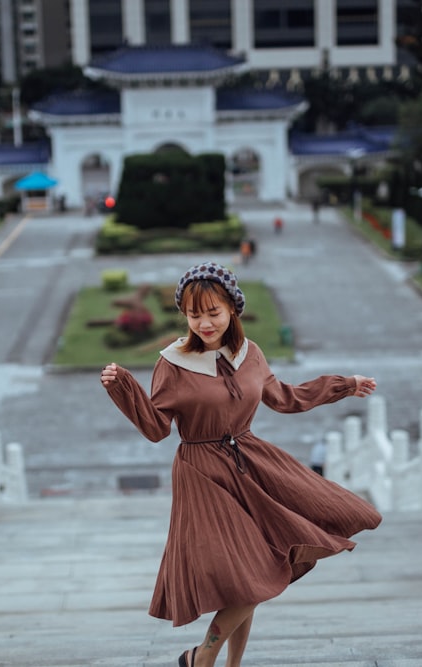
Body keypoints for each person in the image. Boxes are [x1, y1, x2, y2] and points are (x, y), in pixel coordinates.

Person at [100, 261, 382, 667]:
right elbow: (157, 427)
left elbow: (285, 398)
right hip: (202, 472)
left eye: (213, 312)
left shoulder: (250, 355)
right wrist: (125, 389)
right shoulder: (172, 363)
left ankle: (224, 664)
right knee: (249, 574)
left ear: (232, 308)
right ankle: (203, 658)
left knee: (255, 570)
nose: (204, 323)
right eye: (194, 314)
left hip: (251, 462)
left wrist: (344, 385)